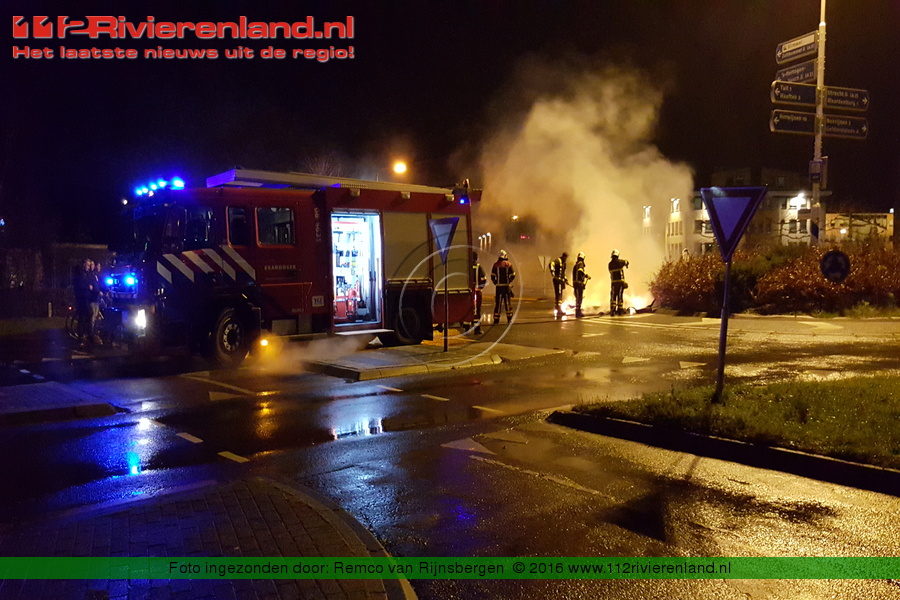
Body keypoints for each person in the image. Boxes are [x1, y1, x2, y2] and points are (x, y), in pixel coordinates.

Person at [491, 249, 516, 325]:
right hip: (506, 287)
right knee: (507, 303)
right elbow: (513, 274)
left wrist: (496, 282)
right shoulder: (508, 264)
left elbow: (492, 276)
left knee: (498, 303)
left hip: (498, 287)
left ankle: (496, 319)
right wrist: (509, 281)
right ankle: (509, 319)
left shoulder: (495, 265)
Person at [608, 249, 630, 316]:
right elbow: (627, 262)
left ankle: (613, 310)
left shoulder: (610, 264)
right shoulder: (620, 262)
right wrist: (626, 264)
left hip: (613, 283)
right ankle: (620, 310)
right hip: (620, 282)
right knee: (620, 295)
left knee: (613, 296)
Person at [549, 252, 569, 317]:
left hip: (561, 281)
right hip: (557, 281)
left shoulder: (564, 263)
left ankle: (558, 308)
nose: (565, 259)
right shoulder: (558, 261)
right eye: (565, 257)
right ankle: (559, 310)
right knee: (558, 294)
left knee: (559, 294)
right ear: (563, 256)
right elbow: (551, 264)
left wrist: (565, 279)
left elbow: (563, 273)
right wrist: (553, 274)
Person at [471, 252, 487, 334]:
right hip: (476, 292)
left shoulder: (466, 267)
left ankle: (466, 326)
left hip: (468, 292)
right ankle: (477, 329)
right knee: (477, 310)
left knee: (468, 309)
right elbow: (483, 279)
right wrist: (480, 288)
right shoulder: (478, 267)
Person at [572, 252, 590, 318]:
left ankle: (578, 312)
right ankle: (578, 313)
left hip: (576, 284)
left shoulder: (576, 265)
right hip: (579, 284)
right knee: (579, 298)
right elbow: (580, 271)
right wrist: (586, 276)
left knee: (578, 298)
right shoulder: (580, 264)